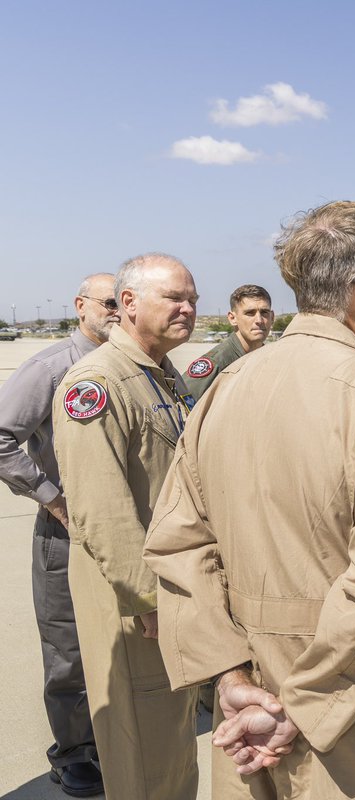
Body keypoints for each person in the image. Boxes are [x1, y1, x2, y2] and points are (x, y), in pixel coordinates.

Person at [143, 201, 355, 799]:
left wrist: (230, 678)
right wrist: (295, 710)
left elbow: (178, 545)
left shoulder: (222, 391)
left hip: (245, 708)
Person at [52, 254, 200, 800]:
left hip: (168, 593)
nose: (187, 308)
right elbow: (101, 510)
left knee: (174, 745)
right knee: (144, 751)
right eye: (174, 298)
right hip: (134, 602)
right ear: (129, 304)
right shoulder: (97, 383)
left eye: (192, 299)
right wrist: (150, 598)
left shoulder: (161, 375)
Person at [0, 273, 119, 797]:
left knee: (124, 642)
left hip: (125, 535)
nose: (119, 312)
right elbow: (2, 438)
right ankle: (72, 752)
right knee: (68, 651)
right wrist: (53, 497)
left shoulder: (141, 367)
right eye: (111, 302)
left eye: (127, 303)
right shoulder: (52, 368)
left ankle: (112, 736)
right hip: (66, 535)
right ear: (81, 307)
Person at [184, 284, 274, 398]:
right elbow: (183, 403)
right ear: (232, 319)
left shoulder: (270, 359)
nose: (259, 320)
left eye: (264, 312)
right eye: (250, 313)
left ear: (272, 317)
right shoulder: (218, 363)